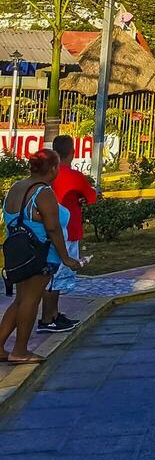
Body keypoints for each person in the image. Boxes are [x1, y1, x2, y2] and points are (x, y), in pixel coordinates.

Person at [1, 148, 84, 363]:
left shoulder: (16, 187)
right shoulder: (43, 192)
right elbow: (53, 228)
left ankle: (0, 346)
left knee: (20, 300)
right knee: (30, 301)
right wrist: (66, 258)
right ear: (54, 168)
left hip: (19, 252)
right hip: (40, 254)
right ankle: (20, 351)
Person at [39, 135, 96, 333]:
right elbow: (91, 196)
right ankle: (48, 318)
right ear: (72, 153)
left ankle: (53, 314)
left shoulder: (48, 176)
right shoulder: (74, 176)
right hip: (68, 230)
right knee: (58, 276)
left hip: (46, 230)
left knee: (52, 274)